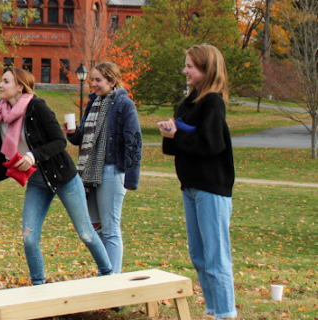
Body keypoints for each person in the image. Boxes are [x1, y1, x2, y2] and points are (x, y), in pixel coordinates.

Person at [0, 57, 112, 285]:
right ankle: (38, 285)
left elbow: (59, 142)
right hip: (36, 181)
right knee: (29, 238)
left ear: (20, 87)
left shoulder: (38, 107)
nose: (0, 85)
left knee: (85, 233)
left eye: (5, 81)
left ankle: (108, 275)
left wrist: (32, 156)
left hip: (63, 177)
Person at [157, 44, 237, 320]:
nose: (185, 71)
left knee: (216, 257)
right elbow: (176, 147)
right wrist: (170, 135)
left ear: (206, 69)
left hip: (211, 189)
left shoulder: (213, 101)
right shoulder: (190, 101)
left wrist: (177, 136)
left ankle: (226, 313)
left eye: (190, 66)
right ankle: (214, 310)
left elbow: (211, 144)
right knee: (199, 257)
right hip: (190, 187)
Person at [63, 61, 142, 275]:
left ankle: (111, 283)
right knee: (95, 228)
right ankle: (106, 273)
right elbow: (83, 139)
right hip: (89, 171)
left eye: (98, 80)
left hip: (111, 172)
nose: (94, 84)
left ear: (112, 81)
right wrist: (72, 133)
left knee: (110, 229)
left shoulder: (124, 104)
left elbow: (134, 140)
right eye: (93, 80)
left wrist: (132, 178)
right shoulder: (92, 104)